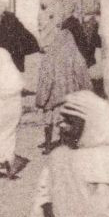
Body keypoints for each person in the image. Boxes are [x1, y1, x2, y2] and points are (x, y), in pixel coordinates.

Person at [0, 13, 39, 179]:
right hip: (14, 94)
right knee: (9, 132)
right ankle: (8, 159)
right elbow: (34, 45)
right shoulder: (18, 36)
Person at [34, 17, 93, 151]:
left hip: (52, 96)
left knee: (48, 120)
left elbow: (45, 77)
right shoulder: (74, 52)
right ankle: (64, 142)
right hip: (68, 94)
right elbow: (82, 72)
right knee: (64, 119)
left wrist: (41, 98)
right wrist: (88, 90)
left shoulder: (50, 54)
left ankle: (48, 146)